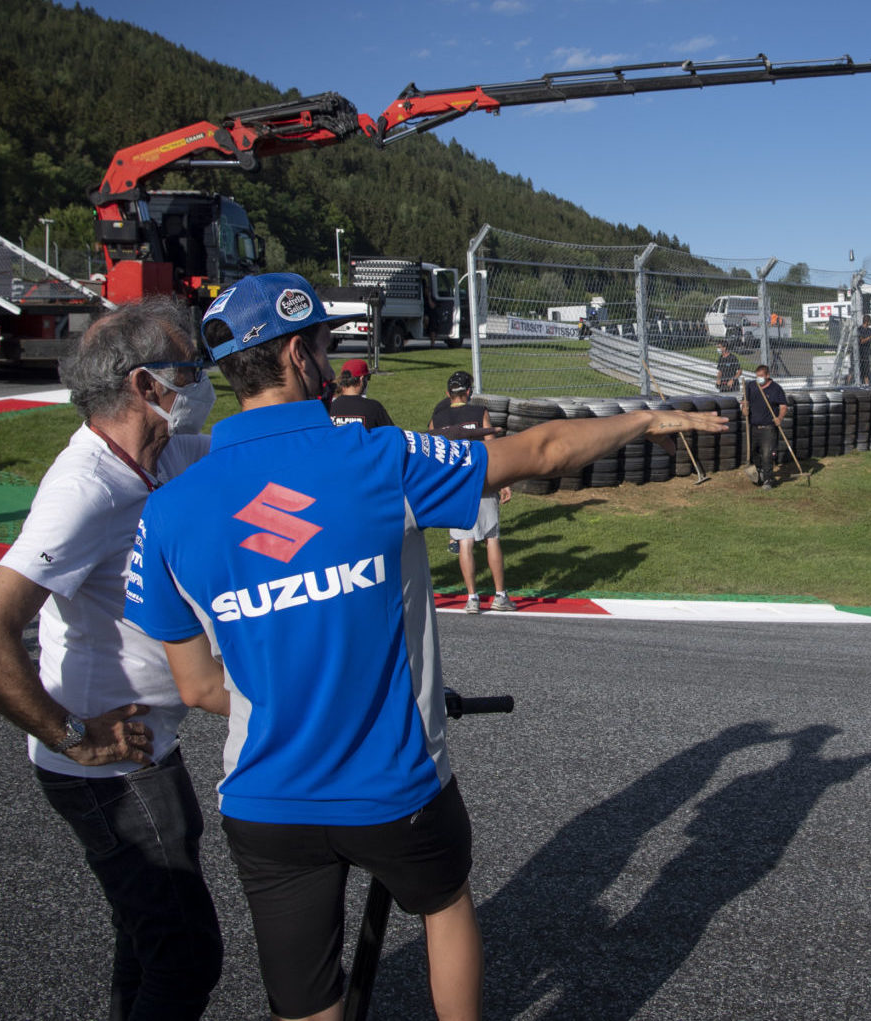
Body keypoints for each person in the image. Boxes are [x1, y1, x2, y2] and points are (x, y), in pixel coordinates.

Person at [123, 273, 724, 1021]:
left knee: (307, 998)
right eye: (320, 342)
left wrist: (287, 703)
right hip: (395, 784)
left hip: (265, 798)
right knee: (444, 905)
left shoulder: (170, 509)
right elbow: (544, 448)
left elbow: (196, 685)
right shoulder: (377, 456)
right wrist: (648, 419)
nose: (326, 355)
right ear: (296, 357)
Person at [0, 296, 224, 1021]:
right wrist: (75, 734)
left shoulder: (159, 454)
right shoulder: (83, 489)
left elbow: (249, 450)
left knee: (145, 941)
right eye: (188, 368)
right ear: (143, 385)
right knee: (187, 956)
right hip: (109, 768)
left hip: (152, 747)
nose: (200, 381)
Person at [431, 371, 513, 613]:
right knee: (491, 538)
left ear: (448, 394)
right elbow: (491, 446)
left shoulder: (438, 416)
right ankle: (500, 595)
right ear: (469, 392)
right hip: (481, 479)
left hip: (455, 483)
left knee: (464, 541)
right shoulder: (479, 412)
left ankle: (472, 598)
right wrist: (504, 481)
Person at [741, 364, 789, 489]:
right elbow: (744, 402)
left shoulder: (776, 389)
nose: (759, 379)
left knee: (767, 454)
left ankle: (768, 480)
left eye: (761, 376)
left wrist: (779, 418)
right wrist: (744, 409)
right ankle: (760, 472)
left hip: (768, 428)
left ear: (767, 376)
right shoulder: (751, 386)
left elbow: (783, 406)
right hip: (753, 426)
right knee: (753, 452)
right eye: (757, 376)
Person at [328, 358, 394, 428]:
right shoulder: (374, 408)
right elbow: (392, 434)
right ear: (361, 379)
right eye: (368, 378)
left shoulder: (329, 408)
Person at [855, 315, 871, 385]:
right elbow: (862, 341)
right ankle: (849, 384)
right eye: (870, 322)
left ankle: (866, 386)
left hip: (866, 353)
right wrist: (870, 337)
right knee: (854, 370)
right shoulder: (860, 329)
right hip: (860, 352)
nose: (870, 323)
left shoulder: (869, 330)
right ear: (866, 322)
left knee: (866, 371)